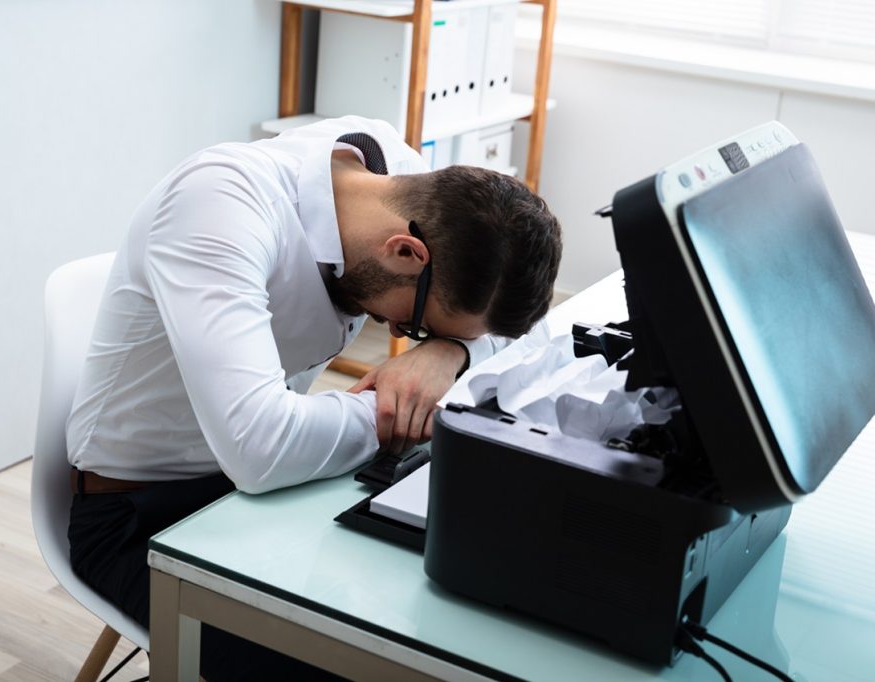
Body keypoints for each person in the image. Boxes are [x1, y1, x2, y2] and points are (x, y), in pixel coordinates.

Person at [65, 115, 562, 680]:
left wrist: (450, 355)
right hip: (144, 515)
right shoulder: (221, 202)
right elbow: (263, 447)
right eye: (421, 327)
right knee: (371, 662)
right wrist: (397, 410)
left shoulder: (397, 185)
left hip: (275, 496)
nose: (407, 338)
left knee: (468, 606)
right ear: (406, 253)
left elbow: (537, 336)